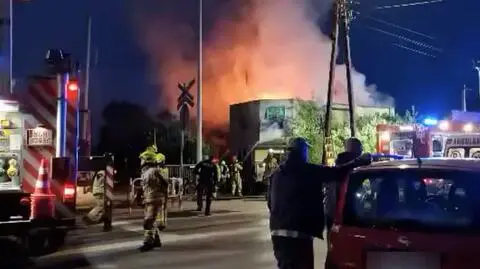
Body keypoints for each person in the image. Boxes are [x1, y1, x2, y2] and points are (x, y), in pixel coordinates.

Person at [268, 137, 371, 269]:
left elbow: (270, 202)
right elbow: (336, 173)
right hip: (299, 234)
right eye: (306, 151)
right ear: (302, 151)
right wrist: (358, 162)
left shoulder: (277, 174)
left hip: (277, 234)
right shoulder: (308, 170)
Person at [325, 137, 363, 236]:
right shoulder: (357, 168)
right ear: (357, 150)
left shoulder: (335, 169)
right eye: (360, 148)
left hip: (333, 218)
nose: (362, 151)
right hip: (351, 219)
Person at [139, 146, 169, 251]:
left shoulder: (152, 171)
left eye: (142, 159)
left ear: (147, 160)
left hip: (154, 199)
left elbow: (164, 183)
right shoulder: (148, 171)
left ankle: (148, 242)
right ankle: (156, 240)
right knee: (152, 220)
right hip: (151, 198)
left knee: (148, 221)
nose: (141, 161)